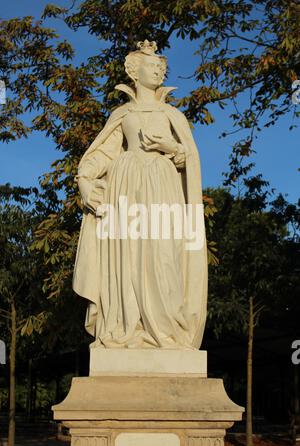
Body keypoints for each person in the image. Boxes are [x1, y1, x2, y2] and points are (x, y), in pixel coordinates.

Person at [73, 40, 207, 349]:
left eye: (162, 66)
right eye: (153, 66)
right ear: (135, 71)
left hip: (164, 187)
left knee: (164, 256)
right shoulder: (123, 114)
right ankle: (125, 327)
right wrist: (85, 183)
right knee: (127, 257)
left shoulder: (174, 115)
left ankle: (168, 332)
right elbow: (102, 154)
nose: (160, 70)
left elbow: (190, 160)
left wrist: (171, 148)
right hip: (126, 186)